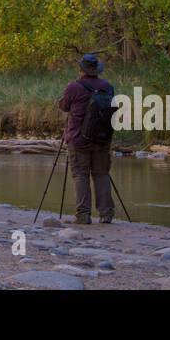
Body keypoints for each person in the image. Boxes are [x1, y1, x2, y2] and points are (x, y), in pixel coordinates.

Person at [58, 52, 115, 224]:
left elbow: (64, 106)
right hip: (102, 138)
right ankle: (106, 214)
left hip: (78, 139)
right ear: (97, 70)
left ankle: (83, 215)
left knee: (80, 175)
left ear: (81, 70)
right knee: (102, 174)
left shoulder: (73, 87)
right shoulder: (108, 86)